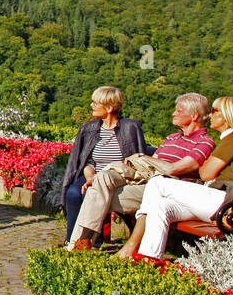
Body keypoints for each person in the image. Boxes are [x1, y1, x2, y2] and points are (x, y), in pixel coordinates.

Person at [65, 92, 215, 249]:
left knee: (97, 194)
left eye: (178, 111)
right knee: (102, 180)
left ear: (194, 116)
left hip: (166, 189)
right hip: (147, 180)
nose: (173, 113)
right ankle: (80, 244)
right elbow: (153, 166)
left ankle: (79, 245)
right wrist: (144, 161)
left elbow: (174, 169)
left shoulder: (204, 143)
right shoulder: (171, 138)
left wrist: (144, 158)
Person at [116, 96, 233, 261]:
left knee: (158, 183)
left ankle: (132, 245)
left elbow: (205, 174)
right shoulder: (232, 139)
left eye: (214, 111)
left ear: (228, 115)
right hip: (221, 201)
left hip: (231, 204)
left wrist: (206, 166)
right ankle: (149, 258)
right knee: (161, 206)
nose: (210, 115)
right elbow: (206, 169)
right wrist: (207, 165)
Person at [58, 87, 150, 244]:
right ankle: (70, 240)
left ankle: (92, 241)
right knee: (73, 194)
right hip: (93, 175)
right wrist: (90, 176)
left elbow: (136, 159)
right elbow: (87, 161)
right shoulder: (89, 129)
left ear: (109, 108)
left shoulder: (130, 128)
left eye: (96, 103)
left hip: (118, 178)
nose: (92, 106)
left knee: (91, 195)